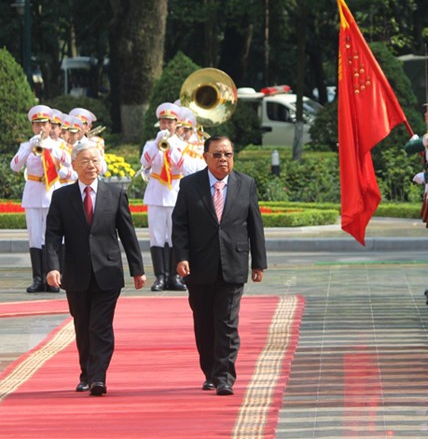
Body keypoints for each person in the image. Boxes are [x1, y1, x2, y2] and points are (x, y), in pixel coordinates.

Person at [45, 141, 146, 396]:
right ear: (74, 164)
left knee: (100, 325)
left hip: (108, 271)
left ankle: (98, 377)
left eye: (95, 160)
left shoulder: (115, 194)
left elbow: (127, 233)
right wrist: (53, 267)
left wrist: (137, 268)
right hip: (76, 272)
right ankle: (86, 373)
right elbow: (53, 236)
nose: (91, 165)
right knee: (83, 325)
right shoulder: (62, 196)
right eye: (86, 161)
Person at [172, 135, 267, 395]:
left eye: (228, 154)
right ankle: (211, 372)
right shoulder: (190, 185)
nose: (223, 159)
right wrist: (181, 257)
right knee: (204, 323)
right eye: (217, 154)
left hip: (233, 264)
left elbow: (254, 224)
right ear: (205, 157)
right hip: (198, 266)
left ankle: (225, 376)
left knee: (226, 322)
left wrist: (258, 262)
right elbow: (179, 224)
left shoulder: (245, 184)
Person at [10, 105, 69, 293]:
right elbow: (15, 166)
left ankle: (52, 278)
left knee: (51, 237)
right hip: (34, 193)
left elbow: (70, 168)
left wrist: (54, 160)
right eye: (37, 124)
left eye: (44, 124)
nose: (41, 128)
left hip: (52, 193)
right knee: (35, 238)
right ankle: (37, 279)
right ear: (33, 127)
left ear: (50, 125)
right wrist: (29, 147)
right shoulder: (26, 145)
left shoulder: (58, 146)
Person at [141, 102, 187, 291]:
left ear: (177, 124)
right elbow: (145, 162)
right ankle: (161, 276)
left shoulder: (182, 145)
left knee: (174, 236)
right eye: (163, 122)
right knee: (157, 236)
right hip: (156, 195)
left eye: (170, 122)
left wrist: (171, 147)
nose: (166, 125)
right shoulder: (151, 144)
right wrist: (157, 146)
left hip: (175, 193)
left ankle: (175, 276)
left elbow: (182, 165)